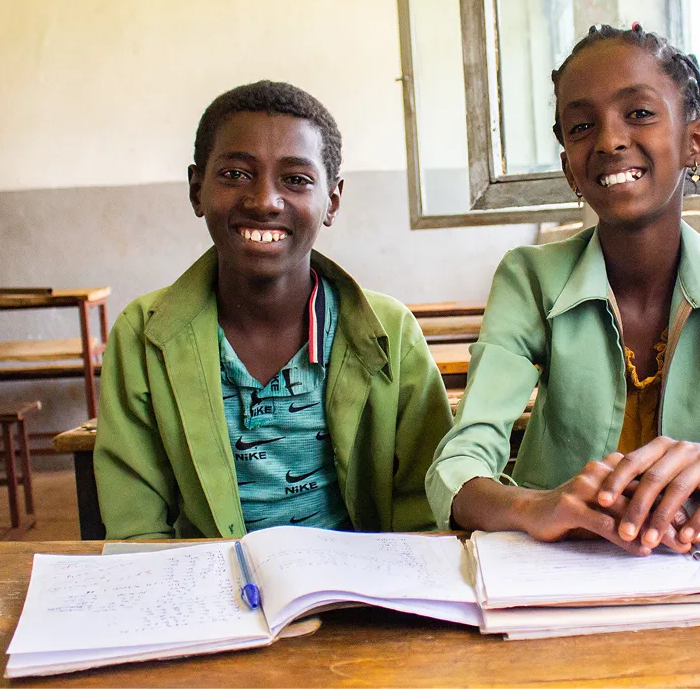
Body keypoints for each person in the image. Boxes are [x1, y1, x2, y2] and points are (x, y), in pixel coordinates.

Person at [427, 24, 700, 555]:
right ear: (570, 171)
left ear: (695, 142)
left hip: (694, 557)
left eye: (640, 113)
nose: (608, 140)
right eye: (580, 127)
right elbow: (459, 463)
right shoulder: (530, 278)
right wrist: (536, 507)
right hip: (557, 566)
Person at [96, 81, 453, 539]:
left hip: (357, 598)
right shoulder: (143, 335)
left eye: (297, 180)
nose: (264, 200)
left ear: (332, 201)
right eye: (235, 174)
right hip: (209, 596)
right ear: (196, 189)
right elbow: (138, 530)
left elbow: (422, 513)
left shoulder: (390, 332)